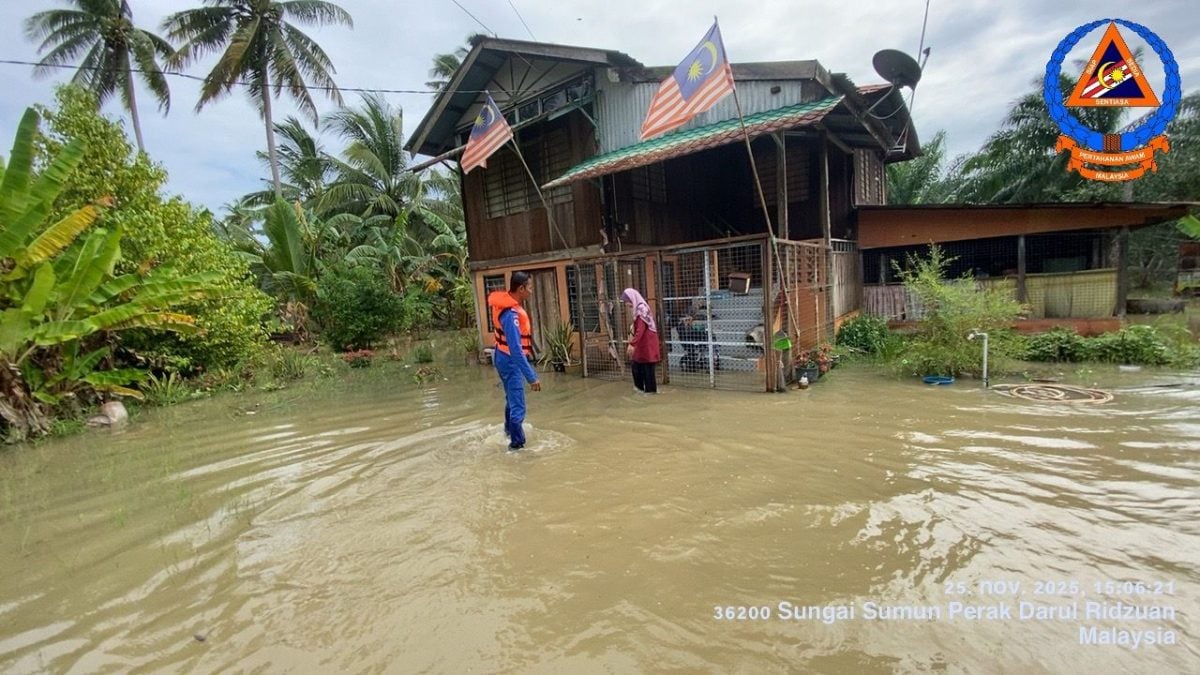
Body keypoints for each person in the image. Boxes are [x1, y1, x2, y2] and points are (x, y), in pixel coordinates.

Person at [487, 272, 541, 450]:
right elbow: (516, 351)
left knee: (511, 398)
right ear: (521, 288)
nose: (531, 292)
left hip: (501, 356)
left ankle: (508, 432)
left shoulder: (508, 307)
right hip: (510, 360)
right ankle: (517, 446)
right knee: (518, 403)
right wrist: (532, 377)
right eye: (530, 288)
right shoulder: (511, 314)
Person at [621, 288, 661, 393]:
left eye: (627, 301)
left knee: (647, 369)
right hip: (642, 343)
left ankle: (650, 393)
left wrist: (632, 344)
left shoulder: (641, 309)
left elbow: (641, 329)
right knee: (636, 365)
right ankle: (640, 391)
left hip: (648, 343)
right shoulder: (637, 310)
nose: (626, 304)